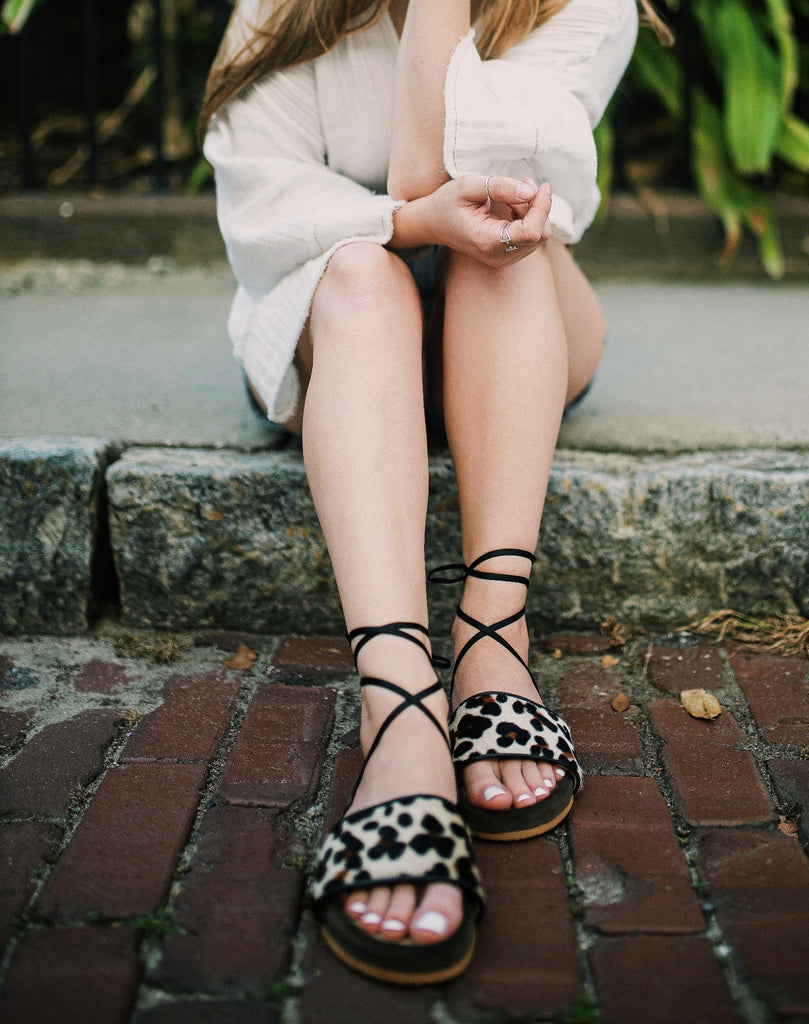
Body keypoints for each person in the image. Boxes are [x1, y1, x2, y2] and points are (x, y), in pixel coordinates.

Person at [200, 0, 654, 986]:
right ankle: (400, 706)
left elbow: (464, 170)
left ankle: (493, 637)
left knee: (505, 229)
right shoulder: (281, 9)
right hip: (345, 331)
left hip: (519, 318)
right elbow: (266, 208)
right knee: (364, 277)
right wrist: (401, 228)